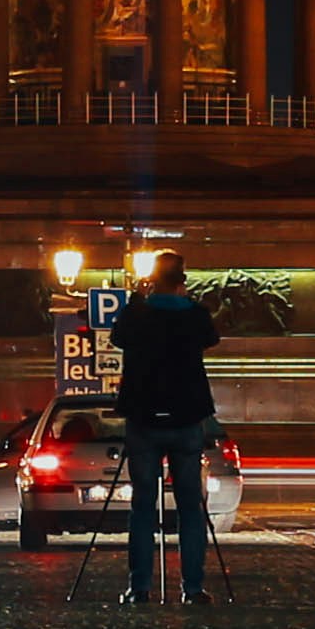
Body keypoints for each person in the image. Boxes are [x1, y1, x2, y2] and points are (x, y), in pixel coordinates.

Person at [113, 252, 222, 604]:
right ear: (181, 282)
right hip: (186, 418)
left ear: (152, 282)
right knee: (191, 505)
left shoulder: (137, 314)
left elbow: (119, 336)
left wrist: (136, 298)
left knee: (142, 505)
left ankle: (139, 586)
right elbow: (210, 337)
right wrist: (186, 303)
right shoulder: (195, 316)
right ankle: (192, 588)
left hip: (144, 419)